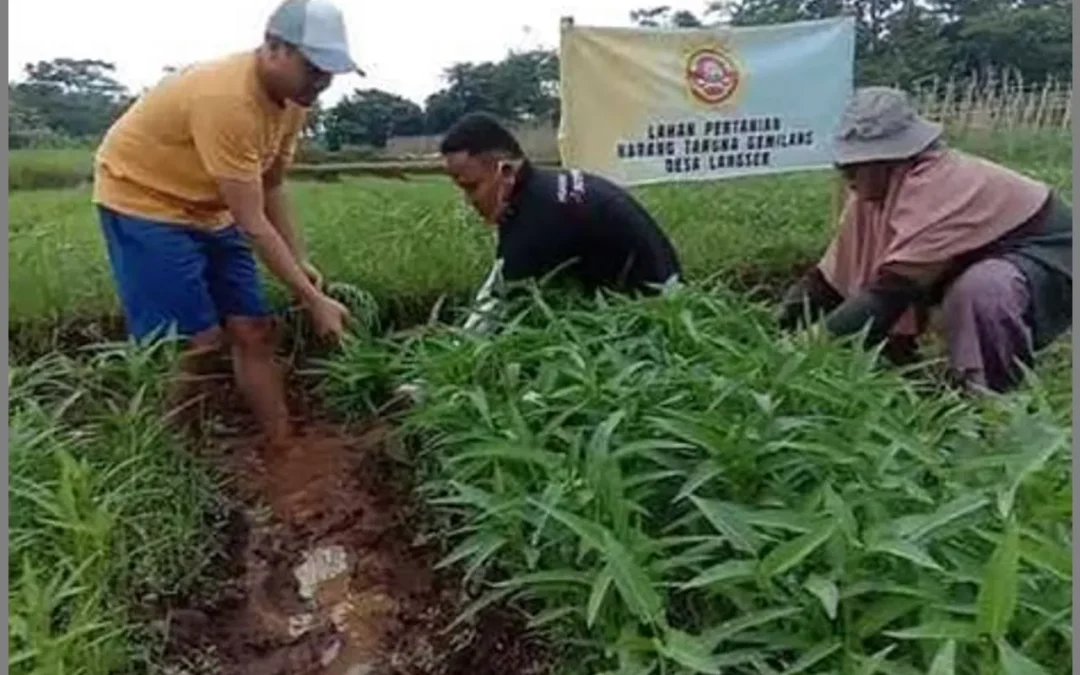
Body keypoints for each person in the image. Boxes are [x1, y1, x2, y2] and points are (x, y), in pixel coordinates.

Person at [92, 0, 362, 446]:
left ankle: (283, 444)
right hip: (144, 202)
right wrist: (312, 300)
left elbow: (271, 185)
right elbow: (253, 223)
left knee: (253, 329)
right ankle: (173, 454)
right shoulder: (227, 99)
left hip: (210, 208)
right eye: (315, 68)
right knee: (195, 343)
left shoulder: (294, 102)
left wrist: (300, 261)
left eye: (330, 71)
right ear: (274, 48)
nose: (324, 82)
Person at [778, 86, 1072, 394]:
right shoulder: (874, 195)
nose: (846, 176)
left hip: (1049, 258)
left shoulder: (937, 186)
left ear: (889, 161)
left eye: (854, 166)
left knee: (982, 288)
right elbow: (830, 278)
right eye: (843, 165)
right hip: (978, 255)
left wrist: (807, 347)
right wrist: (779, 326)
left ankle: (992, 396)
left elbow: (892, 292)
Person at [438, 112, 683, 332]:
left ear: (506, 172)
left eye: (471, 187)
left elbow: (494, 309)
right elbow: (501, 276)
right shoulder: (542, 194)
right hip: (660, 298)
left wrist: (437, 376)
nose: (469, 200)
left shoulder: (538, 218)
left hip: (657, 320)